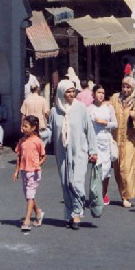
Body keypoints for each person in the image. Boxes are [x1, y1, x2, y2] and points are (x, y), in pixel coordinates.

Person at [48, 79, 98, 229]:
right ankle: (71, 213)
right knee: (66, 183)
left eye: (73, 91)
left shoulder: (81, 108)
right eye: (68, 92)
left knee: (76, 182)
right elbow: (51, 131)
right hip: (62, 154)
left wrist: (93, 150)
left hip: (79, 151)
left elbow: (89, 130)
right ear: (61, 93)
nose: (71, 94)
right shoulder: (54, 111)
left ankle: (77, 213)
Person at [109, 75, 135, 207]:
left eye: (128, 87)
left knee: (126, 167)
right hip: (116, 138)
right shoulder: (115, 99)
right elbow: (108, 110)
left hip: (130, 140)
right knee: (118, 168)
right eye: (123, 86)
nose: (125, 89)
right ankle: (122, 194)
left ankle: (127, 196)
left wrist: (134, 116)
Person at [13, 115, 46, 232]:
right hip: (24, 171)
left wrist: (39, 164)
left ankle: (27, 220)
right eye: (23, 126)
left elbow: (43, 156)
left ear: (34, 127)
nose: (23, 128)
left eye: (26, 126)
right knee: (28, 195)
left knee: (30, 194)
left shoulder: (37, 141)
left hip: (34, 172)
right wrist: (16, 171)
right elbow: (19, 156)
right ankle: (38, 212)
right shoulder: (22, 141)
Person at [88, 84, 117, 205]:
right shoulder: (89, 109)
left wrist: (105, 123)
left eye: (103, 93)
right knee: (97, 168)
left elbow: (116, 124)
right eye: (99, 92)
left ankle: (104, 192)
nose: (101, 95)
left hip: (106, 140)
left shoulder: (109, 107)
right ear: (93, 94)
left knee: (107, 169)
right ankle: (96, 194)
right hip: (95, 141)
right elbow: (87, 127)